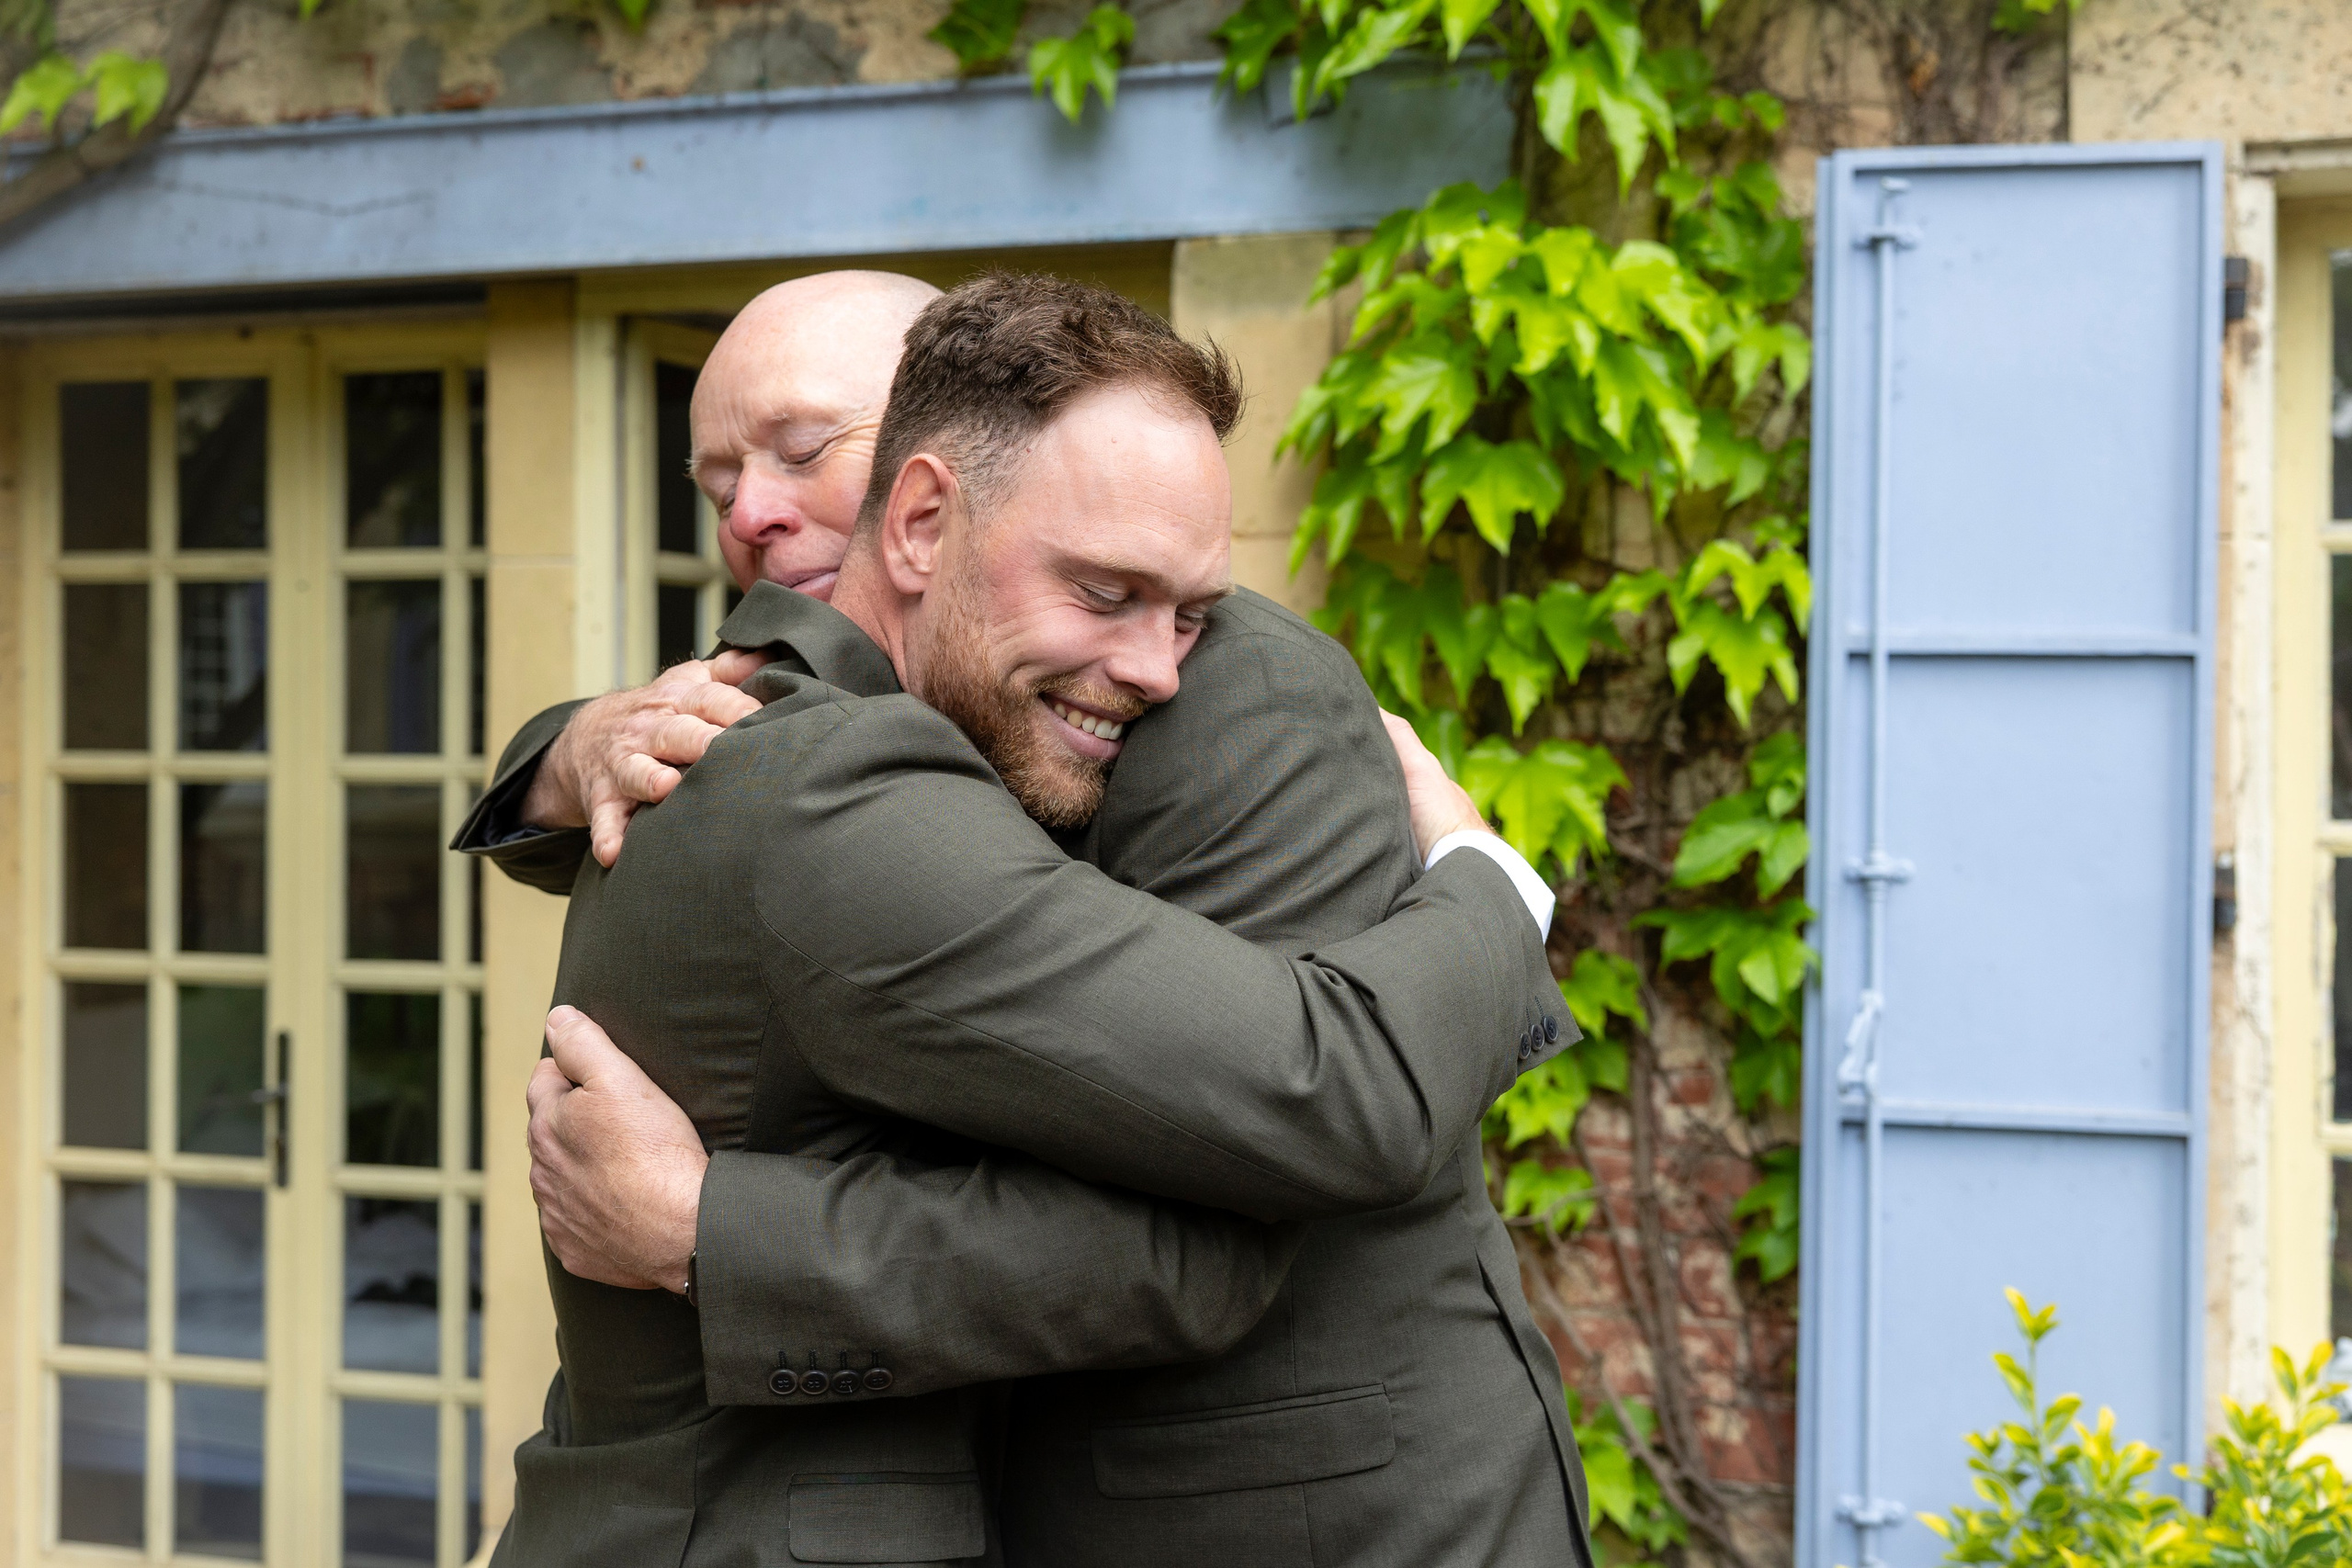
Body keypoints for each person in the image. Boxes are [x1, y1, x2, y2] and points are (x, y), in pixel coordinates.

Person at [461, 275, 1593, 1566]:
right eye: (719, 484)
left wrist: (1495, 883)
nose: (756, 517)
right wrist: (561, 758)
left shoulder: (1224, 699)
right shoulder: (789, 746)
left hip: (1332, 1523)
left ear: (926, 485)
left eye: (800, 449)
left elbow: (1299, 1142)